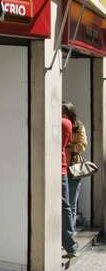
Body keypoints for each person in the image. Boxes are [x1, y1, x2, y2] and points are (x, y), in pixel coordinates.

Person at [63, 102, 87, 233]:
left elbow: (82, 145)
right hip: (59, 168)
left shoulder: (79, 126)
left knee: (71, 203)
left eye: (64, 113)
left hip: (73, 169)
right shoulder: (57, 125)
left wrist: (67, 147)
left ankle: (69, 234)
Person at [61, 108, 79, 257]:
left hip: (65, 169)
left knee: (67, 206)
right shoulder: (66, 123)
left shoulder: (65, 123)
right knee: (66, 206)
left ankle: (70, 245)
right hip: (61, 169)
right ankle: (69, 244)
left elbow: (81, 144)